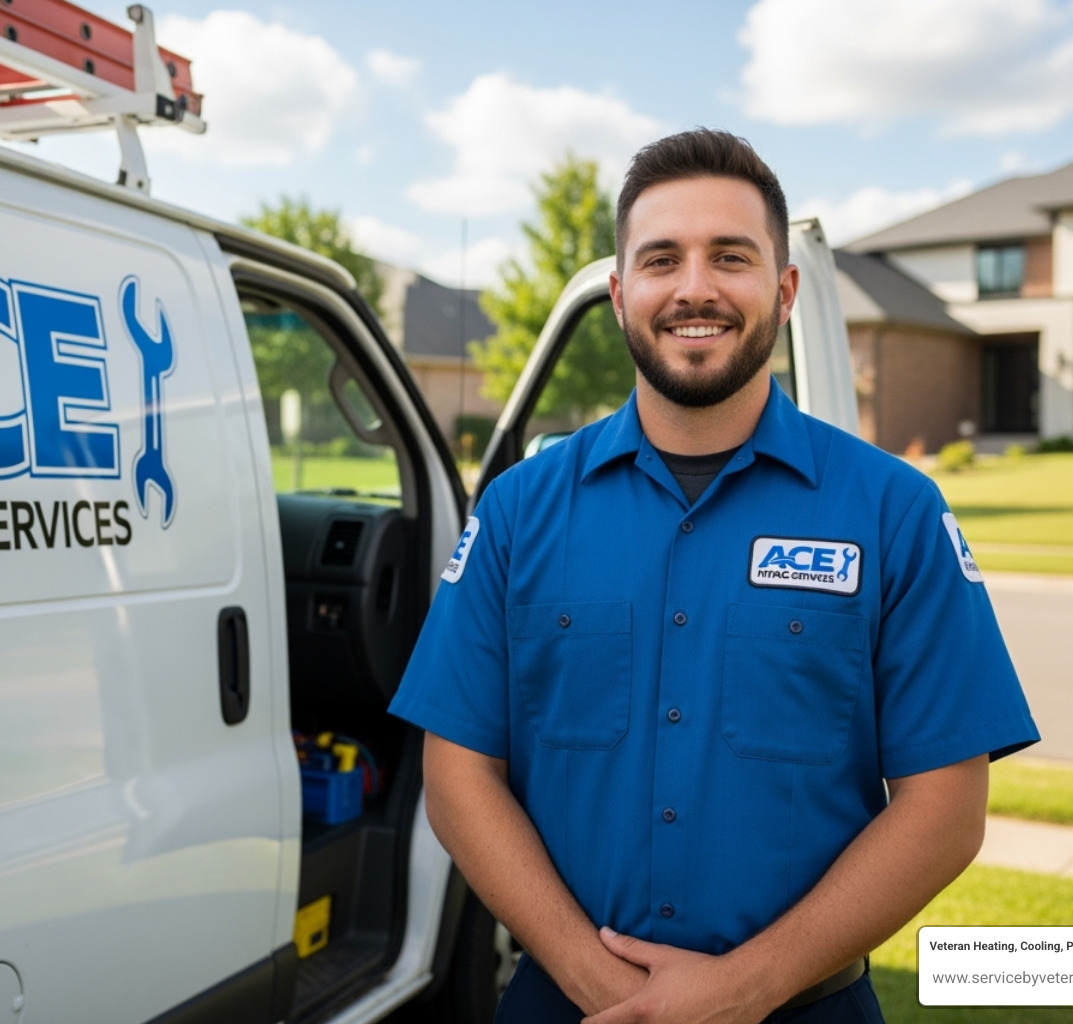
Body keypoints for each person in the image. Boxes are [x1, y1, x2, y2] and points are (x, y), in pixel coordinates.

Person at [388, 128, 1039, 1024]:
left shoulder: (895, 512)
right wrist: (604, 985)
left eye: (730, 257)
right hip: (568, 1005)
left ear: (785, 289)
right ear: (620, 295)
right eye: (661, 259)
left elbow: (946, 807)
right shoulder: (518, 511)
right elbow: (459, 775)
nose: (695, 287)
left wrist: (744, 989)